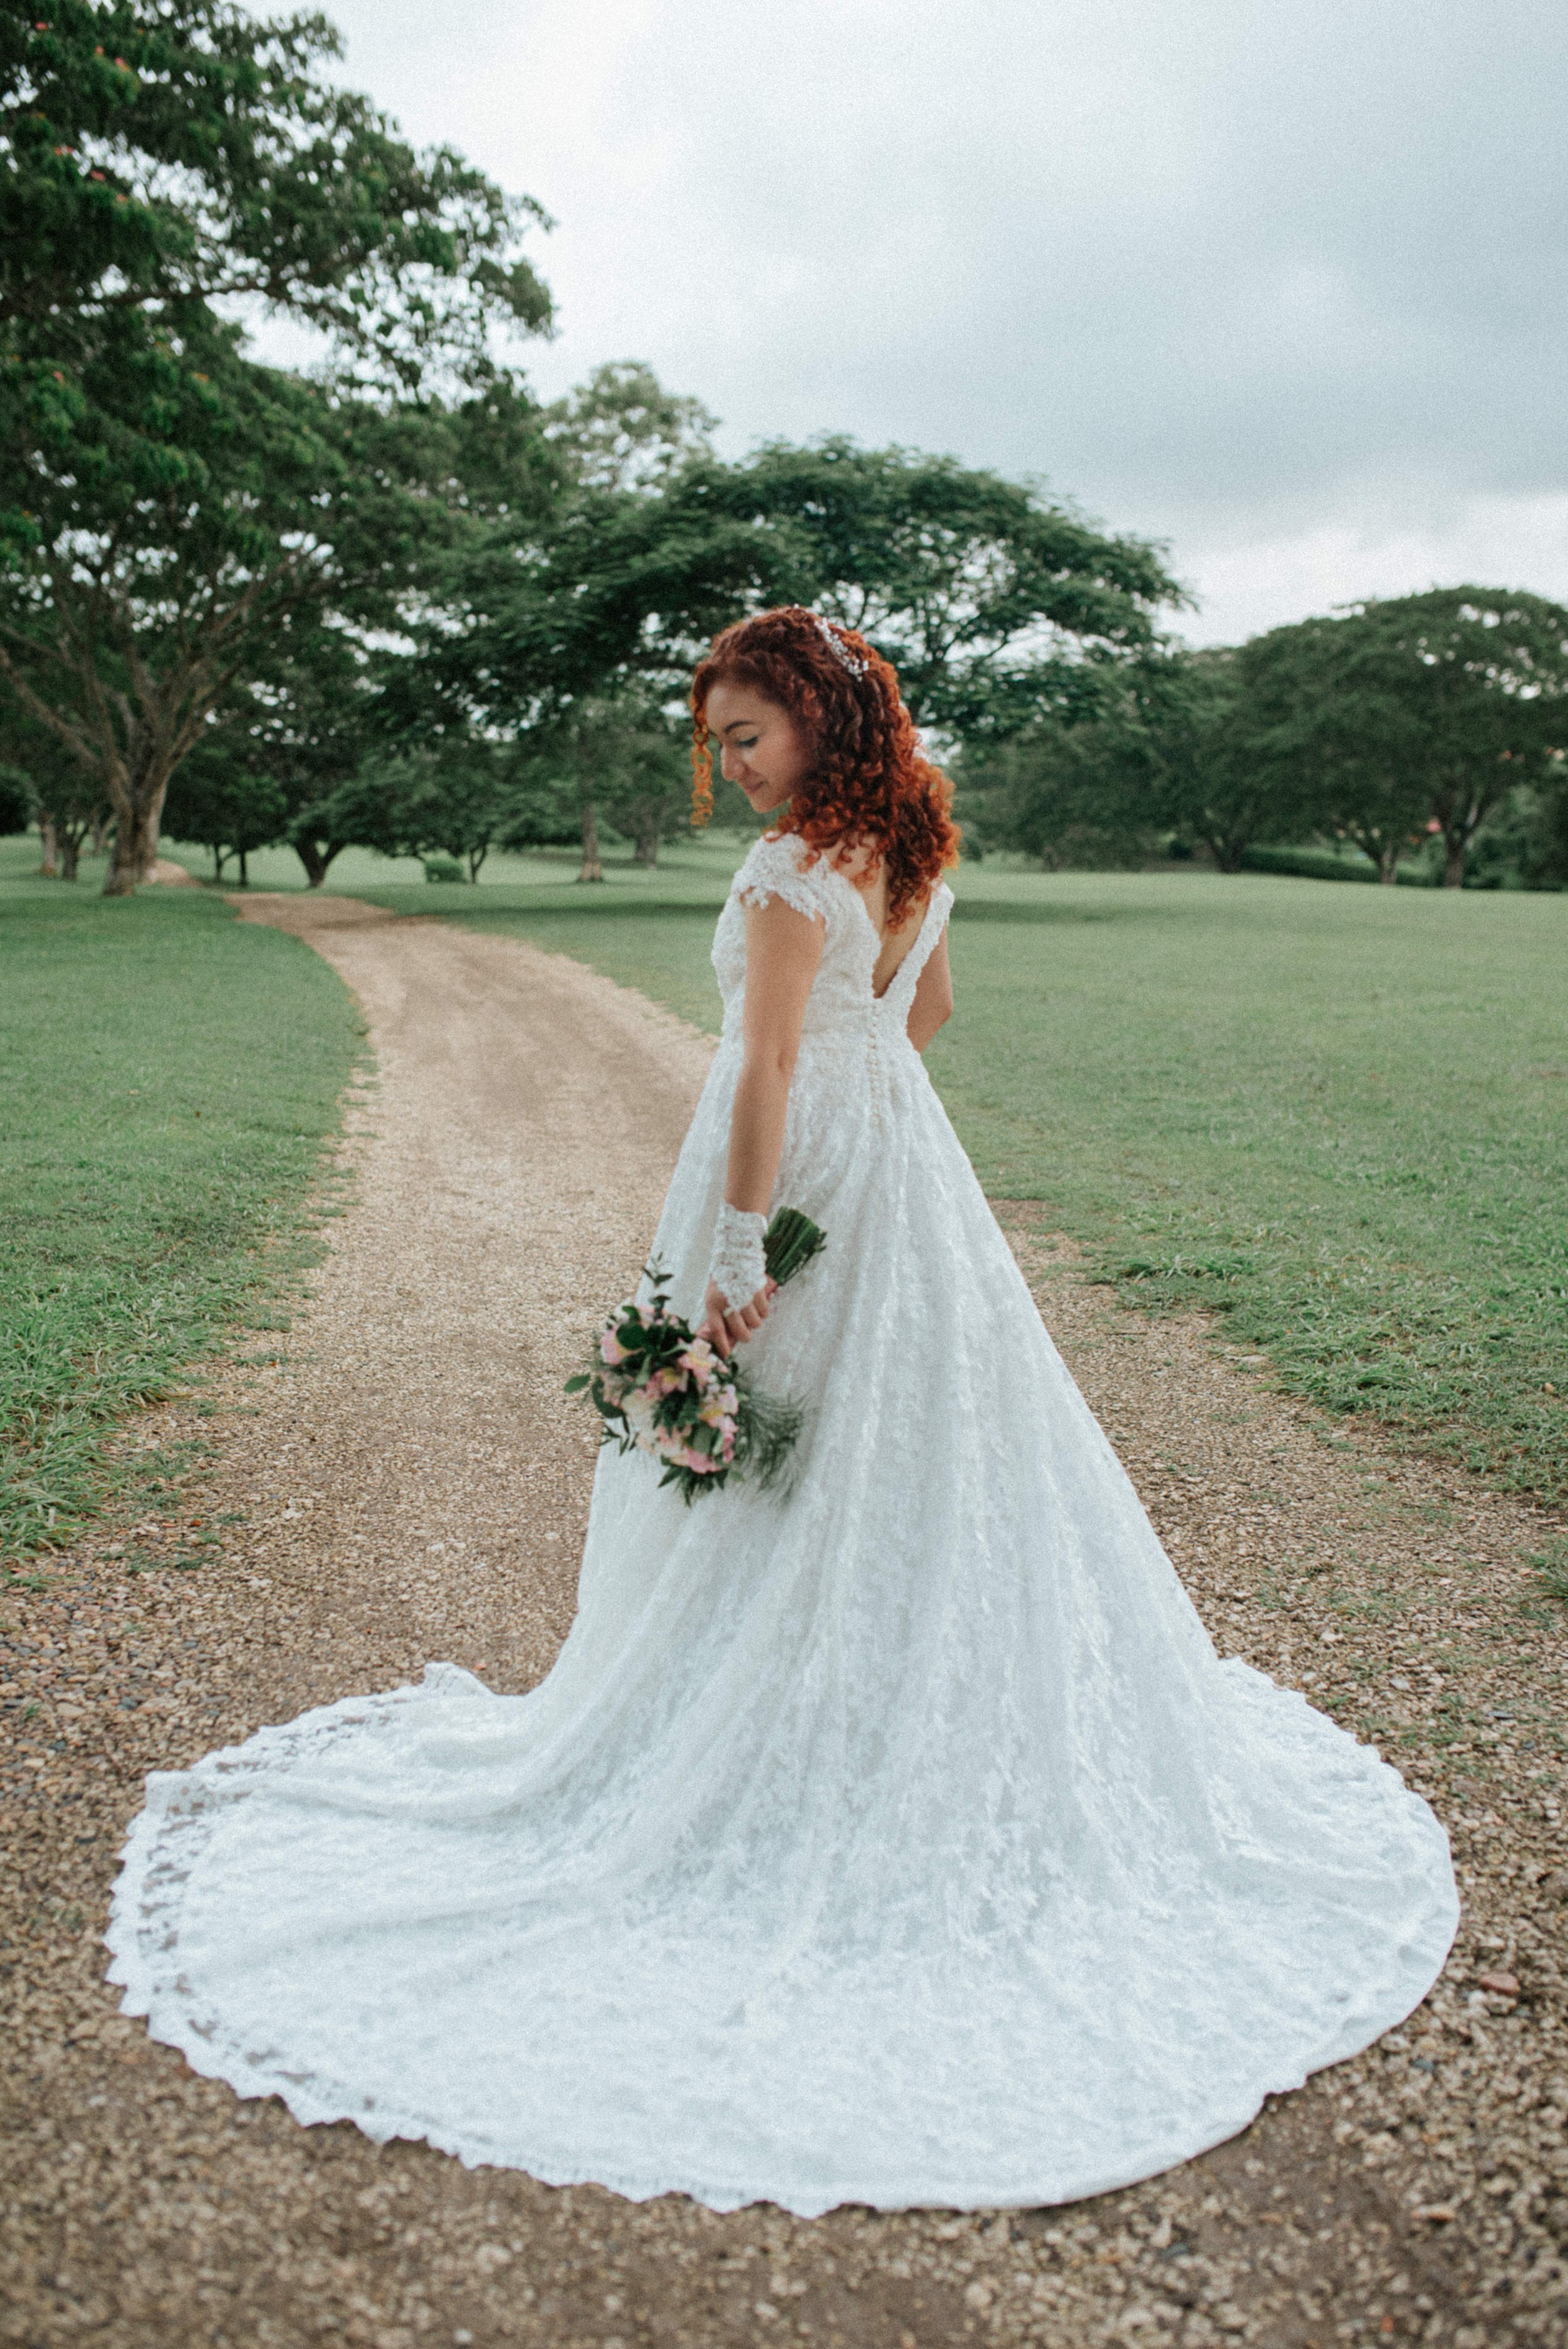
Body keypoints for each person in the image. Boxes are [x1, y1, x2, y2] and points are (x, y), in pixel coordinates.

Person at [108, 606, 1457, 2219]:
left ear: (818, 719)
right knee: (913, 1448)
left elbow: (755, 1070)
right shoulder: (912, 840)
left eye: (744, 735)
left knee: (777, 1451)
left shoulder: (781, 876)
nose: (727, 766)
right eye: (714, 743)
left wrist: (743, 1245)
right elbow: (929, 1017)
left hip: (792, 1173)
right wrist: (870, 1094)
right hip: (903, 1156)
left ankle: (755, 1735)